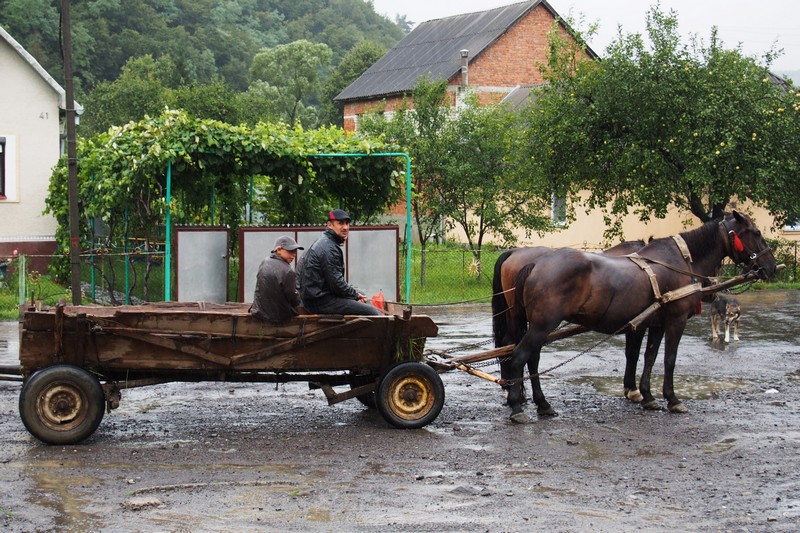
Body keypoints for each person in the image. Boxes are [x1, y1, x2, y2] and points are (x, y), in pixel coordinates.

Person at [297, 209, 383, 316]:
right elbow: (336, 284)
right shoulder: (329, 248)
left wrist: (355, 294)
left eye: (347, 223)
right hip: (319, 301)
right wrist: (354, 295)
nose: (345, 227)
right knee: (372, 312)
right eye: (340, 223)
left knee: (362, 294)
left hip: (317, 296)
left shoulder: (326, 241)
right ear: (330, 225)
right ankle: (385, 329)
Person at [249, 235, 304, 323]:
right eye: (290, 251)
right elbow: (294, 300)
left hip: (259, 311)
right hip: (278, 317)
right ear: (278, 250)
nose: (293, 255)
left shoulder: (265, 261)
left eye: (295, 251)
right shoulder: (288, 271)